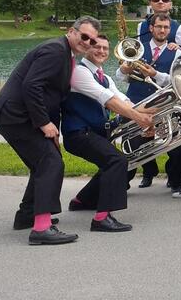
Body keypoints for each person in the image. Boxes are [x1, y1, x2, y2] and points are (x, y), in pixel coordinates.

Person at [0, 15, 101, 245]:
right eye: (84, 36)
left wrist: (52, 129)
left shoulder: (65, 53)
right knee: (50, 163)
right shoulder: (55, 50)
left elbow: (51, 95)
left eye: (92, 41)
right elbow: (32, 85)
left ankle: (27, 216)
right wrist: (43, 123)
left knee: (44, 163)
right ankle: (41, 228)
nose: (87, 42)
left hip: (19, 117)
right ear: (72, 31)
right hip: (16, 117)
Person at [62, 35, 155, 231]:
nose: (102, 51)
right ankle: (102, 218)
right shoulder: (79, 72)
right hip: (78, 133)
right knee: (117, 161)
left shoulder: (105, 77)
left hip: (92, 132)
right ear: (86, 48)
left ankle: (82, 201)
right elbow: (108, 100)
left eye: (105, 48)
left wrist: (154, 111)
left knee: (112, 161)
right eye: (97, 47)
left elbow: (124, 101)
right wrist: (139, 118)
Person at [117, 14, 181, 194]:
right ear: (151, 28)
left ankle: (176, 180)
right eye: (159, 26)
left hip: (163, 103)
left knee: (173, 143)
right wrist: (124, 70)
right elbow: (120, 77)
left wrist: (155, 74)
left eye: (166, 27)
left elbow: (177, 81)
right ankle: (123, 183)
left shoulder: (177, 52)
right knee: (131, 143)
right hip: (136, 101)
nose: (162, 30)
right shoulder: (137, 48)